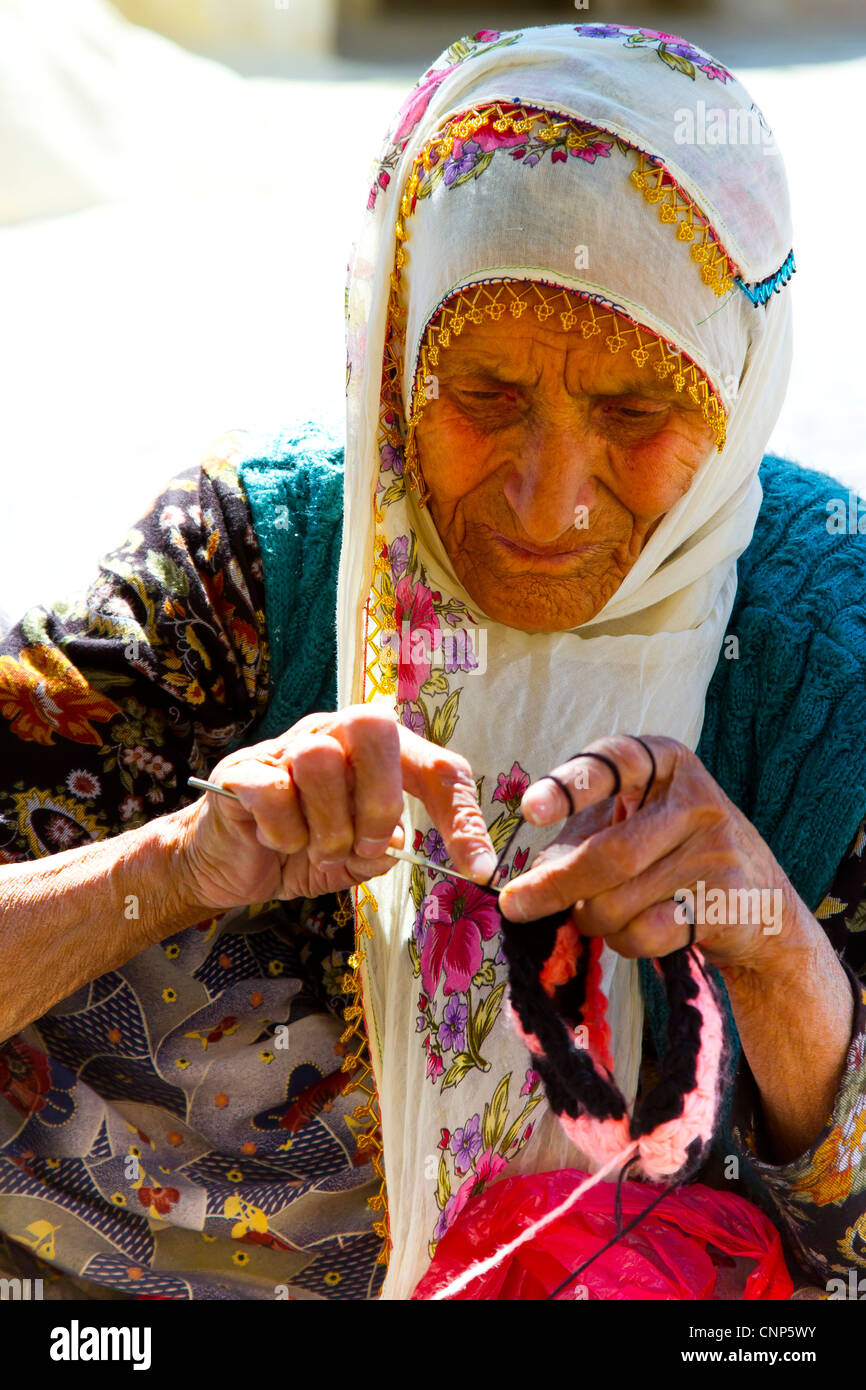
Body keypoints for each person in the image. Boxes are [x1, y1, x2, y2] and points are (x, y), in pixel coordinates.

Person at [1, 23, 865, 1301]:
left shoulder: (822, 654)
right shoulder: (253, 563)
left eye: (633, 412)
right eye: (483, 393)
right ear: (394, 355)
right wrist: (175, 865)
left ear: (734, 393)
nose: (546, 496)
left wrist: (774, 948)